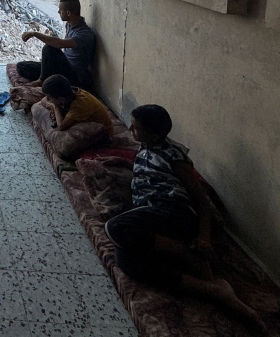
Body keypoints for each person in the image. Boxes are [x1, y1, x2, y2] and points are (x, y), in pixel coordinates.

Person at [105, 105, 263, 327]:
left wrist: (204, 236)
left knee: (115, 228)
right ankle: (213, 290)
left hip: (172, 211)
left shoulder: (175, 156)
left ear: (155, 133)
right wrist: (125, 164)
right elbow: (153, 170)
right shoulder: (145, 147)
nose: (130, 130)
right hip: (151, 215)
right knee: (126, 260)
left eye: (136, 127)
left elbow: (200, 199)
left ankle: (186, 252)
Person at [19, 0, 96, 90]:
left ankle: (42, 81)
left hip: (75, 75)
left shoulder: (84, 34)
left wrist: (35, 34)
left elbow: (60, 44)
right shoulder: (69, 25)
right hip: (63, 68)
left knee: (48, 48)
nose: (58, 12)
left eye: (60, 9)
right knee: (22, 66)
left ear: (68, 13)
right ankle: (48, 78)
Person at [41, 74, 113, 137]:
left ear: (61, 99)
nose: (48, 99)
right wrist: (51, 105)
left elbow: (61, 126)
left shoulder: (79, 105)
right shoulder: (69, 91)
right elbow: (43, 100)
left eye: (50, 97)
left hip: (103, 134)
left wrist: (55, 107)